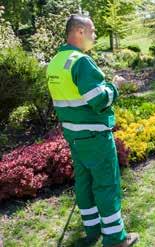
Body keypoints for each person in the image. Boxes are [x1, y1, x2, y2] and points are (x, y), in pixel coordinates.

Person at [46, 14, 138, 247]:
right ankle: (116, 238)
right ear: (78, 31)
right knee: (107, 185)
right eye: (93, 31)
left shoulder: (55, 62)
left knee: (84, 184)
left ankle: (92, 230)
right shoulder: (81, 61)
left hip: (74, 137)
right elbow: (99, 100)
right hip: (95, 137)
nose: (95, 36)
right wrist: (115, 86)